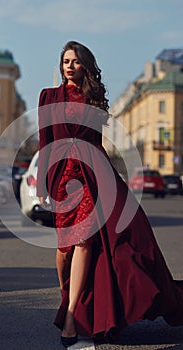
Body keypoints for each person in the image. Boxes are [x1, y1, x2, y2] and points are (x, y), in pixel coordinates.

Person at [37, 41, 183, 348]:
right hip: (63, 180)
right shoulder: (48, 97)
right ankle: (69, 299)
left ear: (85, 65)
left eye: (76, 61)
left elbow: (97, 144)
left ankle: (71, 318)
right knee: (65, 249)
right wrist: (42, 184)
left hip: (93, 177)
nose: (70, 66)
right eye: (65, 61)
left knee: (86, 243)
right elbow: (45, 142)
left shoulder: (93, 99)